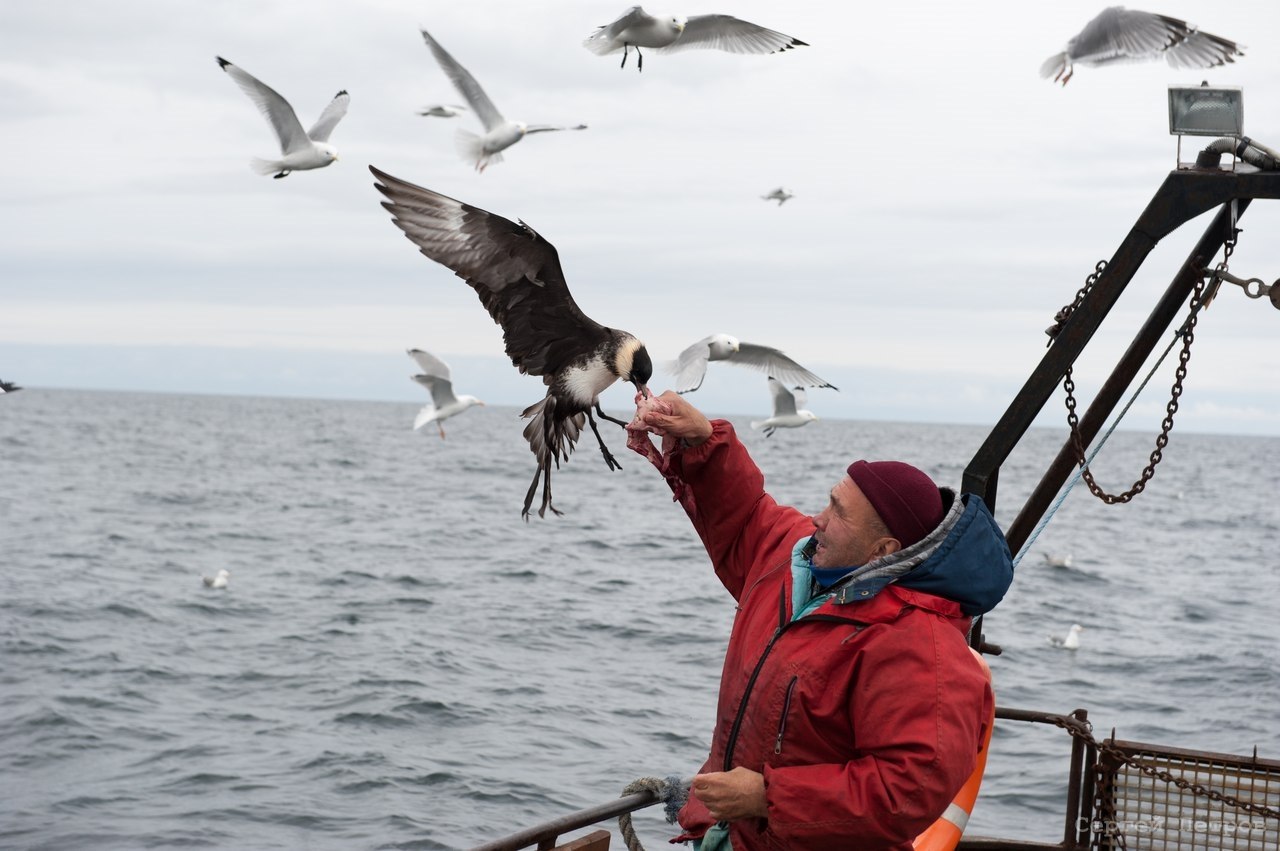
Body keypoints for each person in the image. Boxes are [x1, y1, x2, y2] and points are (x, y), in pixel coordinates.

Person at [633, 391, 1015, 851]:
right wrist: (702, 441)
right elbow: (745, 517)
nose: (817, 518)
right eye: (830, 501)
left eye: (838, 513)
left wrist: (767, 797)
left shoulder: (921, 646)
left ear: (883, 551)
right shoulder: (794, 557)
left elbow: (908, 789)